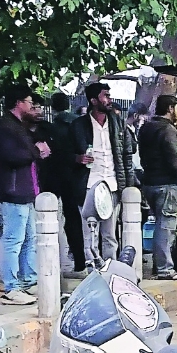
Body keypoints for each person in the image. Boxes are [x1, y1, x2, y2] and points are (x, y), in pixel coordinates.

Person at [0, 85, 43, 304]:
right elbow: (13, 156)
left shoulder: (18, 126)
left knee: (30, 239)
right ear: (18, 103)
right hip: (13, 191)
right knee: (14, 240)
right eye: (30, 102)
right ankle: (11, 288)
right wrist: (37, 151)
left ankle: (28, 281)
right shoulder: (6, 127)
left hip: (25, 190)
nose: (33, 107)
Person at [74, 83, 136, 266]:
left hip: (112, 185)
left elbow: (127, 153)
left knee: (110, 235)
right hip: (88, 186)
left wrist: (128, 184)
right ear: (94, 101)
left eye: (109, 95)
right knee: (89, 235)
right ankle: (92, 272)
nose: (110, 100)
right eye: (105, 96)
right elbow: (64, 153)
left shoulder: (118, 122)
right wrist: (77, 158)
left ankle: (111, 270)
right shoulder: (79, 125)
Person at [38, 92, 90, 277]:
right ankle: (80, 262)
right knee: (74, 220)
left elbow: (54, 154)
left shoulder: (51, 128)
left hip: (54, 176)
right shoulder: (79, 124)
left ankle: (54, 264)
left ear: (52, 107)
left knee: (51, 221)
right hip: (76, 177)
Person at [139, 95, 177, 280]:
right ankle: (165, 269)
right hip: (166, 183)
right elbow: (174, 158)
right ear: (170, 108)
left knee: (160, 223)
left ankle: (158, 265)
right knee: (166, 226)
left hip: (149, 182)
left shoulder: (145, 128)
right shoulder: (168, 130)